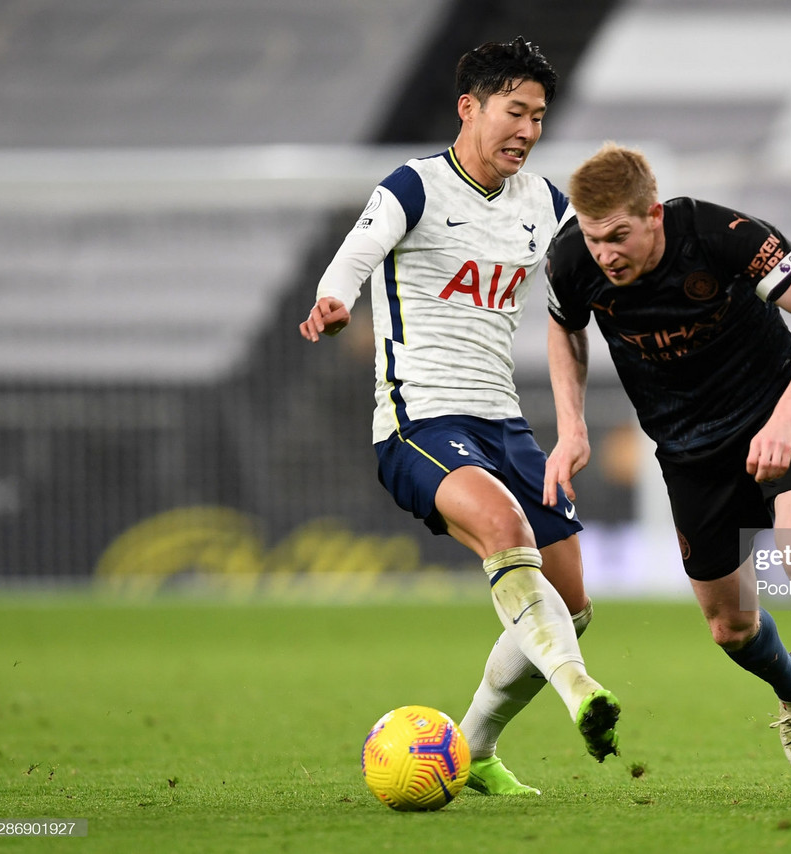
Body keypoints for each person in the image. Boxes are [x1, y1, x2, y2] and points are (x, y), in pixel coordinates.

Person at [543, 143, 791, 802]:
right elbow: (565, 328)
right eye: (593, 236)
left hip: (780, 419)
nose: (605, 252)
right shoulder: (571, 259)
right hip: (690, 453)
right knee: (730, 628)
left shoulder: (721, 235)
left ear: (653, 214)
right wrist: (572, 428)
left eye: (619, 235)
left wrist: (785, 419)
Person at [299, 38, 620, 797]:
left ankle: (472, 745)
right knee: (506, 532)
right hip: (418, 422)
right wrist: (336, 298)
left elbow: (593, 285)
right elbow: (356, 253)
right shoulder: (415, 186)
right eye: (516, 112)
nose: (529, 130)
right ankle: (582, 692)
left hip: (504, 425)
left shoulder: (545, 204)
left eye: (539, 117)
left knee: (571, 603)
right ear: (468, 107)